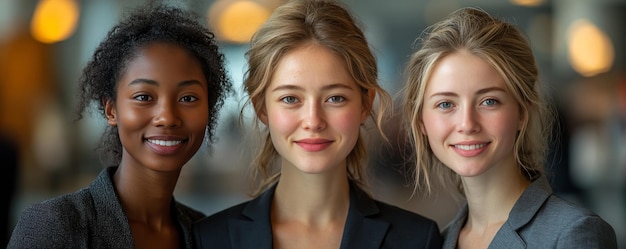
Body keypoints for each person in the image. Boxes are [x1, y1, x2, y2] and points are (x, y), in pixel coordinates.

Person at [193, 0, 442, 248]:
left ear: (366, 104)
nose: (313, 121)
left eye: (335, 98)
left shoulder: (417, 240)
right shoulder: (211, 239)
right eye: (290, 99)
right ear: (261, 107)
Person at [8, 3, 232, 249]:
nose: (167, 117)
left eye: (188, 98)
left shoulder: (208, 235)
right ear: (111, 110)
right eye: (144, 97)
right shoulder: (56, 225)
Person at [401, 7, 617, 249]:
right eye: (445, 104)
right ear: (421, 121)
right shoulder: (438, 241)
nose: (467, 124)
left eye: (489, 101)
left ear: (522, 113)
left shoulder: (572, 233)